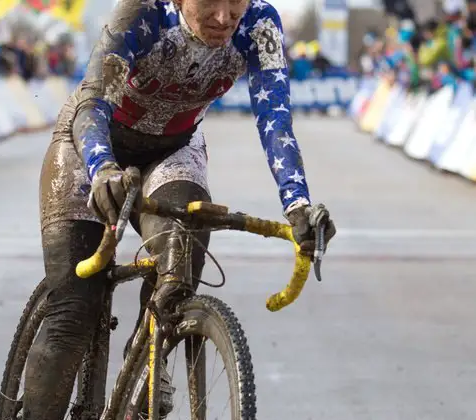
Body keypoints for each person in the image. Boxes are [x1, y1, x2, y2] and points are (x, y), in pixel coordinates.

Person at [26, 0, 337, 419]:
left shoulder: (259, 23)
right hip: (93, 148)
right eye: (209, 2)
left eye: (236, 2)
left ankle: (147, 371)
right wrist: (102, 169)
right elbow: (94, 102)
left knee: (182, 253)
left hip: (173, 149)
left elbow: (275, 119)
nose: (225, 18)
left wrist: (297, 203)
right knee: (74, 310)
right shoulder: (144, 12)